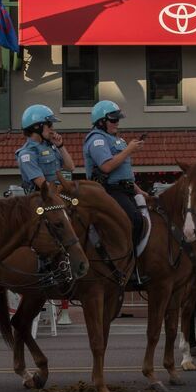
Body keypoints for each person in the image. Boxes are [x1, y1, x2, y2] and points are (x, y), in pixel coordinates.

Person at [83, 99, 148, 289]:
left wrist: (140, 191)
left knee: (152, 215)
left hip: (126, 189)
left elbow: (124, 173)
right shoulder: (96, 139)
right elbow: (107, 166)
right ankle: (129, 267)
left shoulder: (117, 139)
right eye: (113, 119)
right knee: (134, 220)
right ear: (101, 121)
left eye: (118, 119)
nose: (117, 123)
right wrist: (129, 150)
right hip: (108, 191)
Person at [16, 104, 75, 193]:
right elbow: (43, 186)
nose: (52, 129)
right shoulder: (27, 154)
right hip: (43, 201)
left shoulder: (49, 146)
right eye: (49, 125)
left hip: (58, 195)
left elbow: (70, 167)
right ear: (37, 127)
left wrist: (60, 146)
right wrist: (63, 195)